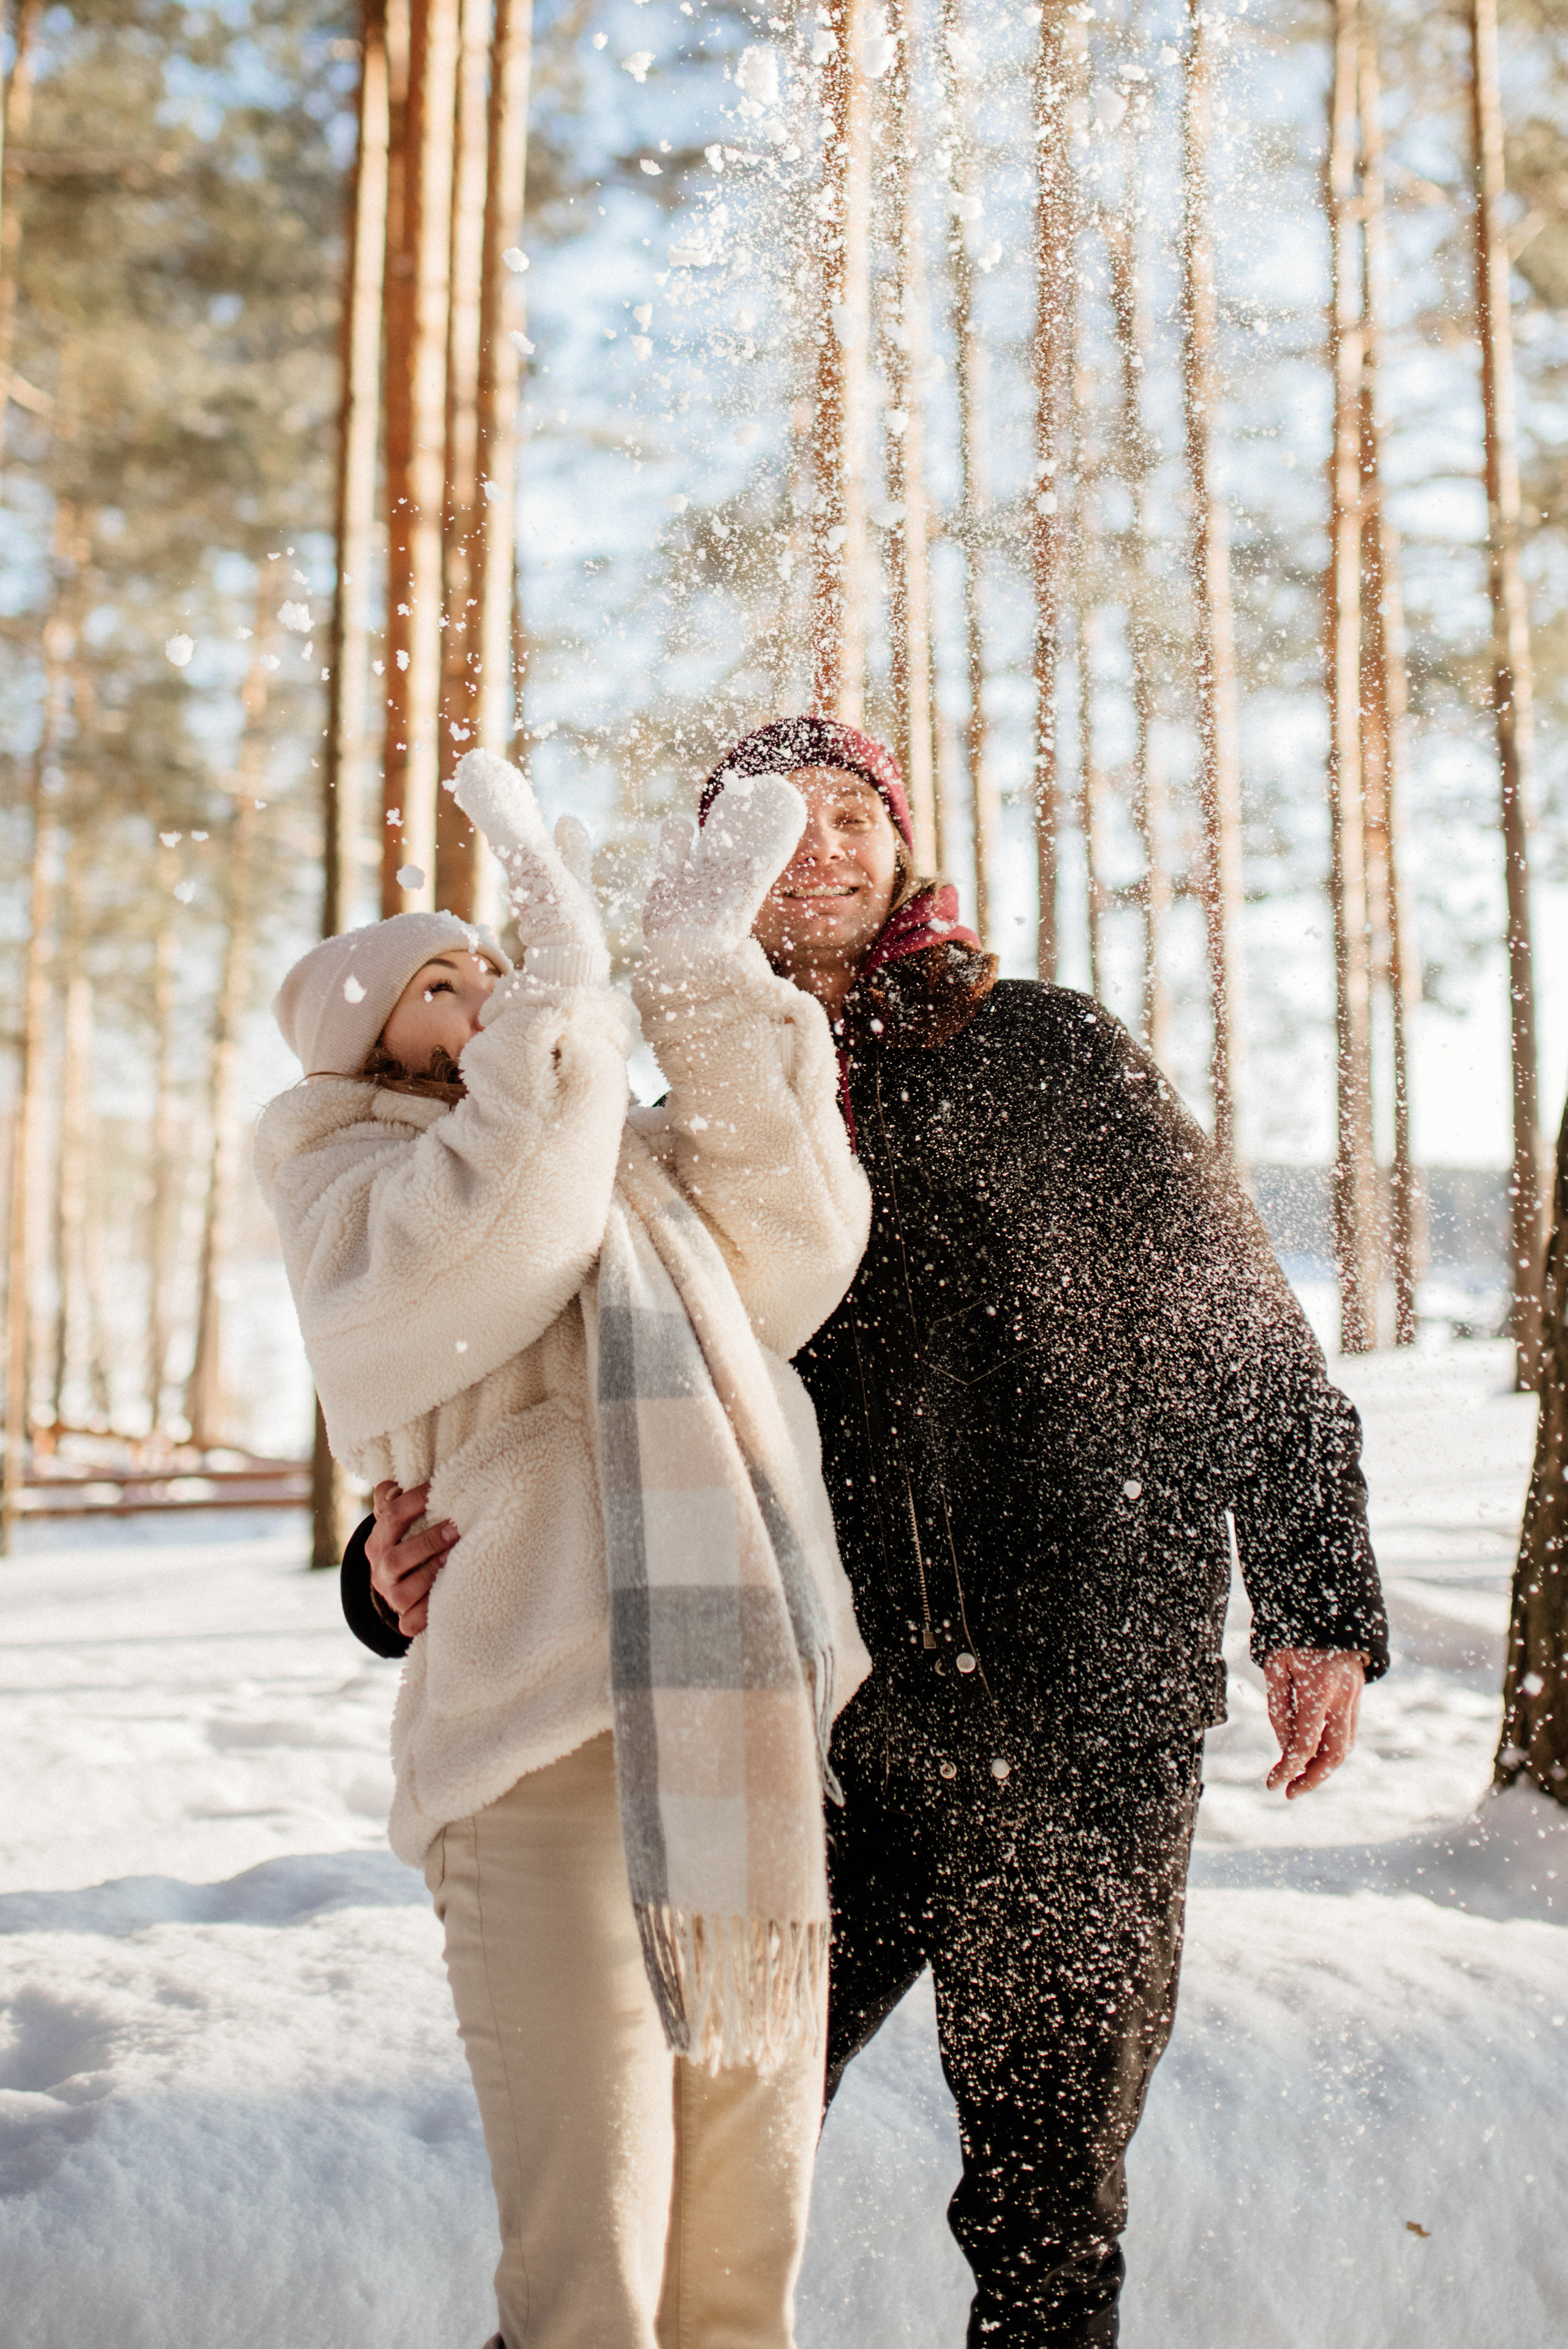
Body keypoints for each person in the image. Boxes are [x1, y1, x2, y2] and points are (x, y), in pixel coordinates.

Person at [352, 718, 1390, 2349]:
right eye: (771, 821)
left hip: (1083, 1714)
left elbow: (1242, 1331)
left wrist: (1313, 1594)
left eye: (851, 812)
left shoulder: (1047, 1050)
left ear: (904, 849)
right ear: (720, 876)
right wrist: (382, 1569)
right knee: (700, 2141)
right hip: (818, 1726)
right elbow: (539, 1392)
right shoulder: (669, 1131)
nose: (817, 843)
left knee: (1048, 2205)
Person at [257, 750, 873, 2349]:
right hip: (535, 1754)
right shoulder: (355, 1184)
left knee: (737, 2274)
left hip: (735, 1741)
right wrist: (566, 1002)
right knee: (591, 2276)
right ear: (364, 1038)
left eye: (488, 965)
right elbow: (497, 1239)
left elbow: (798, 1232)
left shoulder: (605, 1143)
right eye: (436, 982)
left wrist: (693, 978)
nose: (479, 993)